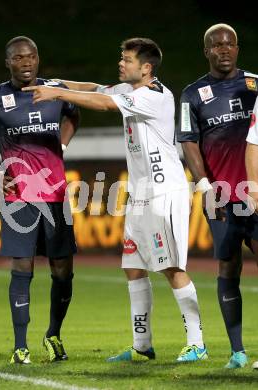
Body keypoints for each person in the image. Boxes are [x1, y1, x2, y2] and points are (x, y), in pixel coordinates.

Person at [24, 37, 207, 362]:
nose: (121, 63)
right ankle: (141, 346)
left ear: (146, 68)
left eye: (127, 59)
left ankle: (197, 343)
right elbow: (95, 88)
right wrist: (52, 82)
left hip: (164, 193)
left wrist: (56, 93)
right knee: (134, 267)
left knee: (172, 267)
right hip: (140, 196)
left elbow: (103, 104)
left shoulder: (155, 96)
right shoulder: (128, 91)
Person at [0, 36, 79, 364]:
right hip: (19, 196)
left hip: (56, 195)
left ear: (38, 59)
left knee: (63, 270)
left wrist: (62, 146)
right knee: (22, 267)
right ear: (8, 62)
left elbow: (74, 115)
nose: (26, 62)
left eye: (31, 57)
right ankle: (20, 346)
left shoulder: (55, 90)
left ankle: (53, 334)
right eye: (19, 58)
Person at [177, 23, 258, 369]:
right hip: (221, 196)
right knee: (229, 267)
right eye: (216, 46)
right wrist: (205, 185)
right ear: (206, 51)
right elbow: (188, 140)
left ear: (237, 48)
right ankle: (237, 351)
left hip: (256, 193)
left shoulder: (255, 85)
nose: (224, 50)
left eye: (230, 45)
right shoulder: (192, 94)